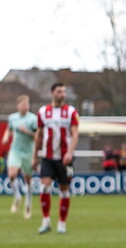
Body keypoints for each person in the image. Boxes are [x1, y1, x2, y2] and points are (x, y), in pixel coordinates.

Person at [32, 83, 79, 235]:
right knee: (44, 186)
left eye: (64, 92)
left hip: (64, 158)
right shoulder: (43, 112)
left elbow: (75, 134)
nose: (62, 94)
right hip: (48, 156)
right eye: (59, 91)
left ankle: (62, 223)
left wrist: (70, 153)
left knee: (64, 189)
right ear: (52, 93)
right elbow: (39, 135)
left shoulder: (71, 112)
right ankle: (45, 221)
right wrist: (35, 156)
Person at [3, 95, 38, 219]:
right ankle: (17, 196)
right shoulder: (13, 118)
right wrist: (6, 136)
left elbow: (37, 136)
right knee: (12, 174)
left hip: (29, 152)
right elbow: (9, 129)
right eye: (23, 104)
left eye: (27, 104)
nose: (25, 106)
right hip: (15, 150)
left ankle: (28, 204)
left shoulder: (33, 119)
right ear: (18, 105)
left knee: (28, 180)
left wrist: (26, 131)